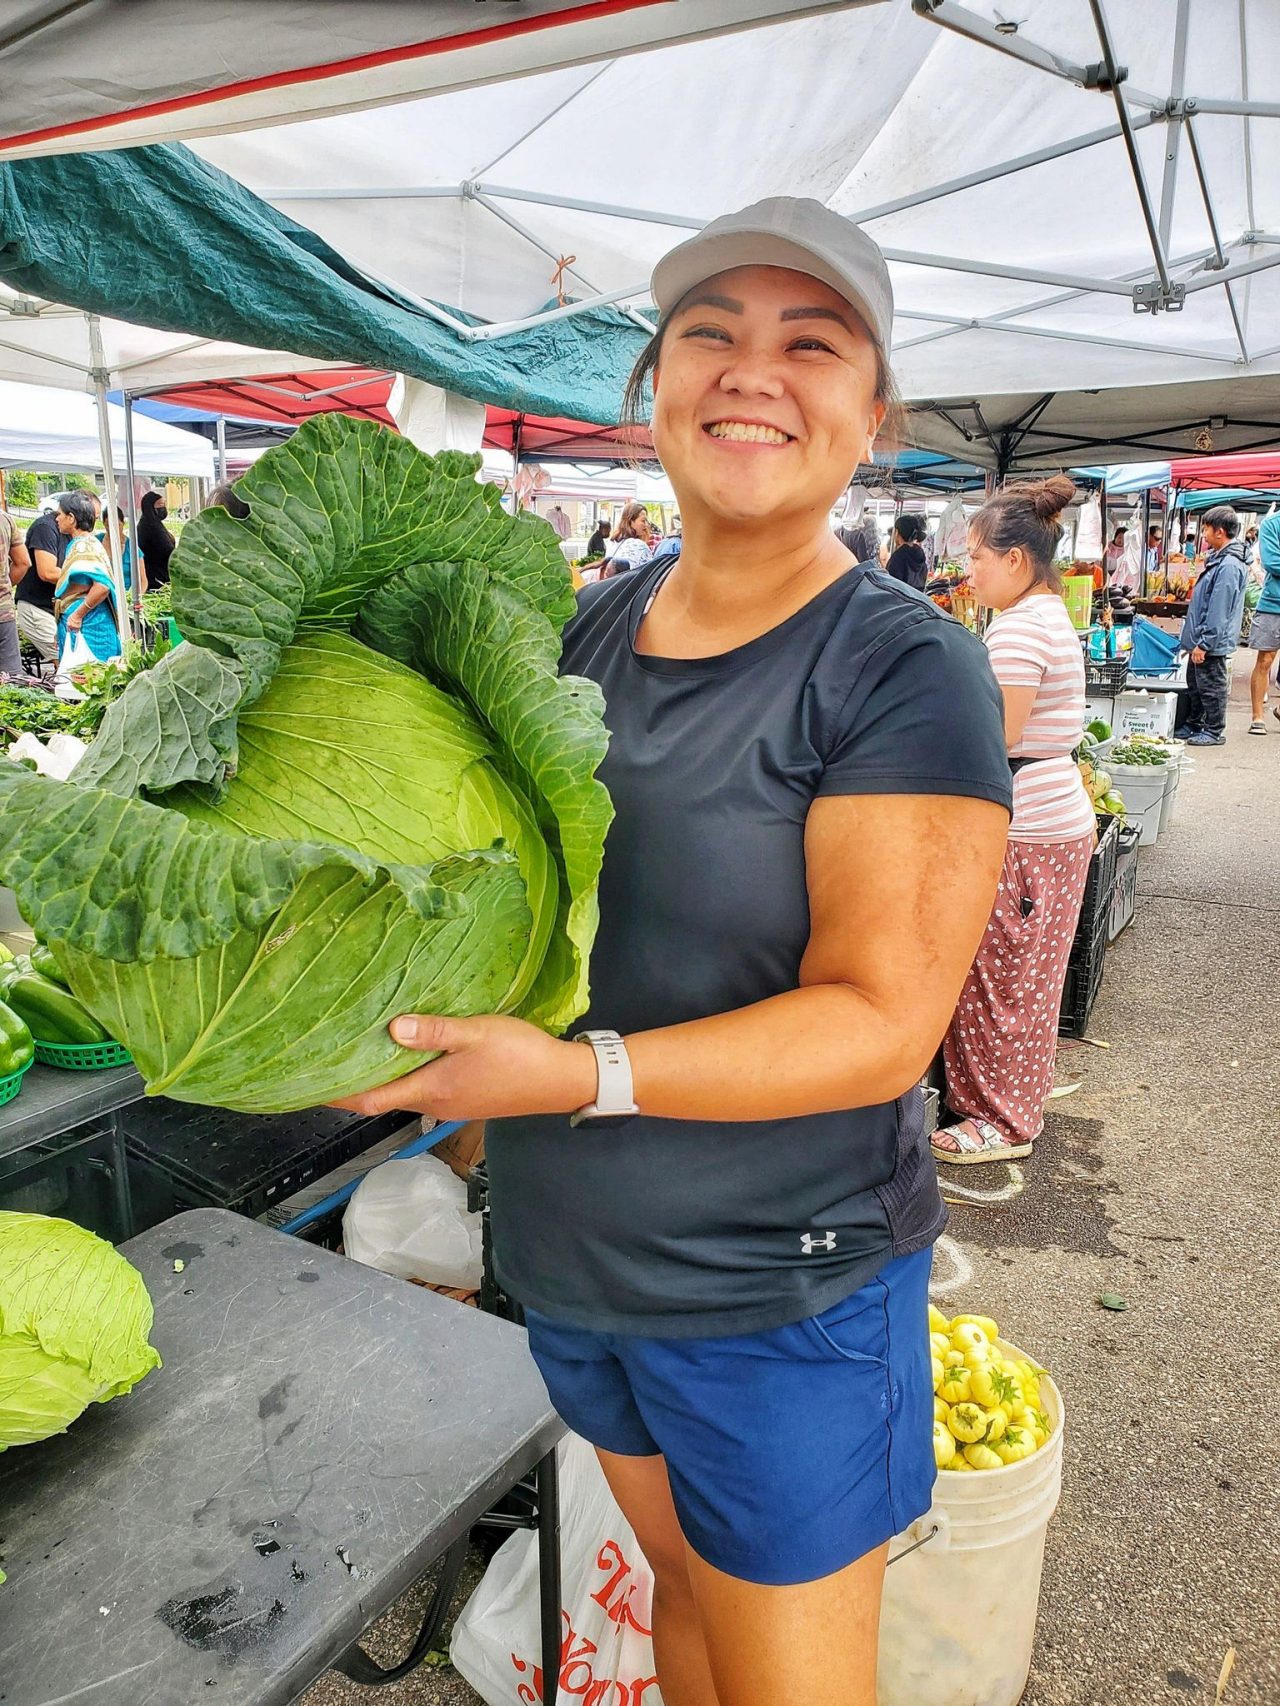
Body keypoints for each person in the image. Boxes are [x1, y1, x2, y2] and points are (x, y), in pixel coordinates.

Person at [333, 195, 1012, 1706]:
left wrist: (573, 1077)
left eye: (810, 342)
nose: (750, 372)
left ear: (873, 408)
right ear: (650, 392)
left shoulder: (903, 666)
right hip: (580, 1270)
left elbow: (881, 1025)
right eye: (708, 334)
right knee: (683, 1607)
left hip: (781, 1295)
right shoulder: (584, 629)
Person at [932, 476, 1097, 1167]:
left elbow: (997, 737)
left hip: (1030, 827)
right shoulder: (1045, 613)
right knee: (1024, 976)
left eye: (975, 559)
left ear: (1015, 561)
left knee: (1001, 977)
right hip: (1051, 819)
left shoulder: (1022, 629)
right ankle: (1013, 1098)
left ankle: (997, 1121)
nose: (967, 573)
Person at [1175, 505, 1248, 747]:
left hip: (1211, 642)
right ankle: (1195, 723)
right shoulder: (1219, 560)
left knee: (1211, 687)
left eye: (1205, 529)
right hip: (1201, 639)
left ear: (1219, 532)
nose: (1203, 535)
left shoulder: (1229, 565)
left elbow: (1219, 608)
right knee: (1195, 685)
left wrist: (1205, 642)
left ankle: (1214, 730)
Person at [53, 491, 121, 663]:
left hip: (90, 625)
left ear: (71, 518)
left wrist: (77, 615)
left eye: (59, 514)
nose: (56, 519)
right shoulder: (83, 544)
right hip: (84, 622)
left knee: (88, 682)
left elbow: (102, 586)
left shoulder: (84, 546)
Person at [18, 497, 67, 662]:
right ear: (73, 516)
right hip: (37, 609)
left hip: (54, 608)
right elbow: (47, 572)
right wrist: (81, 576)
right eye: (90, 518)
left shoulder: (71, 534)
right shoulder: (45, 528)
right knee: (64, 661)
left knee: (68, 661)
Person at [1247, 511, 1280, 735]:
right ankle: (1257, 716)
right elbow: (1272, 562)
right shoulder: (1271, 524)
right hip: (1274, 603)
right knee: (1265, 659)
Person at [0, 507, 32, 677]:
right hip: (3, 613)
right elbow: (23, 562)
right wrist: (4, 587)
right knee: (10, 683)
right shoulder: (5, 519)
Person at [601, 501, 654, 576]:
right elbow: (650, 575)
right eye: (643, 521)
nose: (646, 525)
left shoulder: (613, 542)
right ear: (630, 521)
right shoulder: (638, 545)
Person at [136, 491, 176, 588]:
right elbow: (167, 550)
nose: (163, 508)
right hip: (156, 579)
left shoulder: (153, 523)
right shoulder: (150, 526)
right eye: (160, 505)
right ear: (150, 507)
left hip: (159, 575)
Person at [884, 512, 929, 590]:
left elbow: (891, 586)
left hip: (902, 601)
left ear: (897, 532)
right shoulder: (919, 553)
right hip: (918, 599)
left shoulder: (898, 557)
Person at [1104, 525, 1131, 592]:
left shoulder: (1127, 551)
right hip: (1105, 577)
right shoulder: (1106, 547)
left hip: (1120, 581)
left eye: (1124, 539)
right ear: (1115, 536)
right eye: (1119, 537)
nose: (1121, 540)